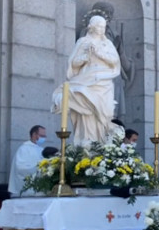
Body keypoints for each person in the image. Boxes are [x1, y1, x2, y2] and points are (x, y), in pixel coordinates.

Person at [52, 15, 121, 147]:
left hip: (104, 81)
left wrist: (99, 53)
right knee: (83, 101)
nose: (102, 29)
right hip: (86, 78)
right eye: (99, 26)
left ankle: (100, 141)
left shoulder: (107, 44)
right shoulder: (83, 42)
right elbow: (73, 64)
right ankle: (86, 139)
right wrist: (84, 57)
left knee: (103, 113)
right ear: (92, 27)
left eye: (103, 27)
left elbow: (114, 61)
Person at [79, 2, 134, 120]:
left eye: (110, 14)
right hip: (97, 75)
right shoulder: (86, 32)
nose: (109, 16)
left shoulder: (114, 34)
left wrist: (120, 50)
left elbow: (125, 65)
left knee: (116, 114)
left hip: (114, 77)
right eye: (106, 13)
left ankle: (116, 136)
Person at [8, 125, 46, 197]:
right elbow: (20, 168)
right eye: (42, 135)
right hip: (27, 190)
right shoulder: (23, 149)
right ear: (34, 134)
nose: (43, 138)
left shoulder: (41, 149)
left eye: (44, 136)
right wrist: (38, 168)